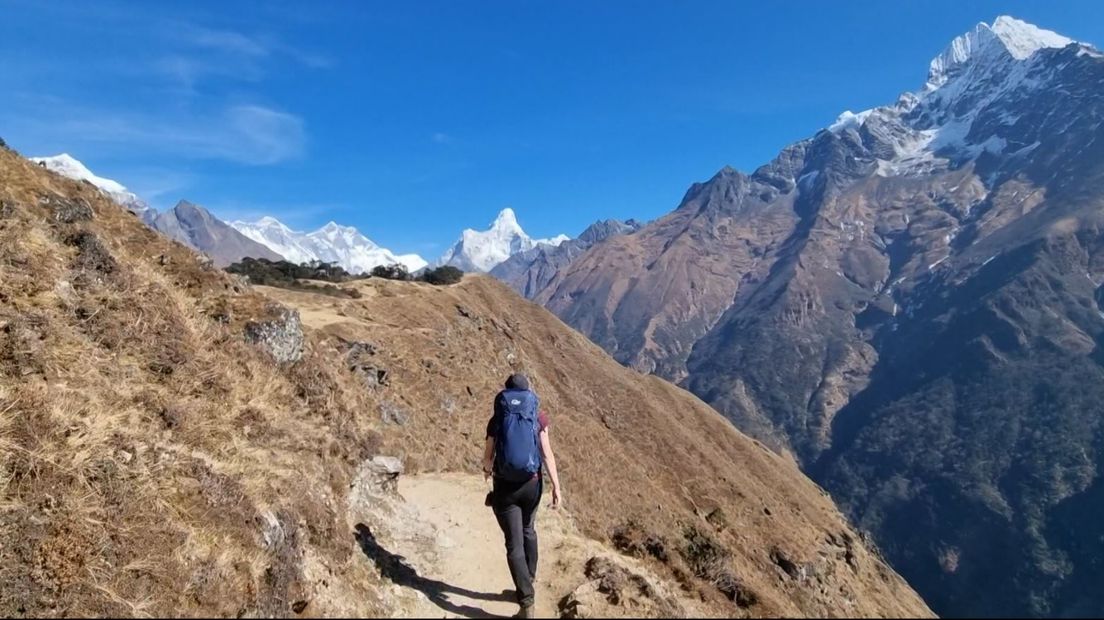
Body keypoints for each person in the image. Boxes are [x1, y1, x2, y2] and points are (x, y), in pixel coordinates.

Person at [482, 373, 563, 619]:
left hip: (505, 487)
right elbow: (547, 454)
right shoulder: (537, 416)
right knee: (529, 529)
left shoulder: (497, 418)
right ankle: (529, 577)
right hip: (532, 484)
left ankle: (527, 602)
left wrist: (487, 471)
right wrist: (557, 488)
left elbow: (488, 455)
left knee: (513, 544)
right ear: (528, 393)